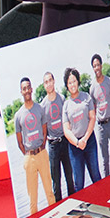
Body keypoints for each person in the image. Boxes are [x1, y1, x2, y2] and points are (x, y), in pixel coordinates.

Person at [14, 77, 56, 212]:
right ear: (21, 91)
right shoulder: (18, 115)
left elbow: (45, 131)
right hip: (29, 158)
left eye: (28, 87)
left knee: (49, 192)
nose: (27, 90)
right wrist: (28, 154)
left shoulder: (40, 109)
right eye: (24, 88)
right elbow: (19, 142)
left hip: (42, 154)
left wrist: (41, 148)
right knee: (33, 198)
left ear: (31, 89)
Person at [62, 67, 102, 191]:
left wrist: (85, 139)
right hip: (75, 147)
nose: (72, 84)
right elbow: (66, 130)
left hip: (89, 142)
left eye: (74, 81)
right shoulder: (66, 105)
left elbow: (92, 117)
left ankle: (105, 201)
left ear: (78, 81)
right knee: (78, 184)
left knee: (96, 176)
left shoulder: (86, 97)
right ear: (66, 86)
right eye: (69, 82)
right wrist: (78, 142)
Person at [40, 71, 75, 202]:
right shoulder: (42, 106)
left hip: (65, 142)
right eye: (46, 82)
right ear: (44, 85)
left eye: (50, 80)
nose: (49, 84)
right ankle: (59, 208)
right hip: (53, 146)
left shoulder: (62, 99)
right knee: (56, 182)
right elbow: (42, 129)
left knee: (70, 177)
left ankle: (75, 204)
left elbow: (69, 121)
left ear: (54, 81)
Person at [89, 53, 110, 176]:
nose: (97, 68)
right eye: (94, 66)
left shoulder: (109, 81)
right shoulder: (92, 87)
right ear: (93, 68)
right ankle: (107, 183)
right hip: (101, 127)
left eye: (98, 65)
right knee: (105, 159)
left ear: (101, 66)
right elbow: (93, 108)